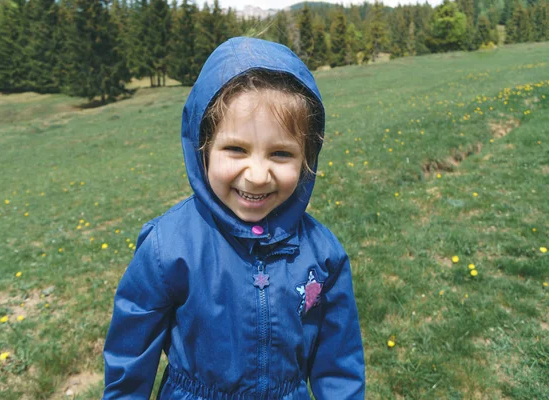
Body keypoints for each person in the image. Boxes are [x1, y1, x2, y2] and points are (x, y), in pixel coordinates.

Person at [103, 37, 365, 399]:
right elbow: (130, 354)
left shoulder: (323, 254)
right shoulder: (169, 246)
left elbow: (339, 362)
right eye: (236, 149)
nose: (257, 175)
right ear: (203, 146)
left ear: (307, 159)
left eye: (280, 153)